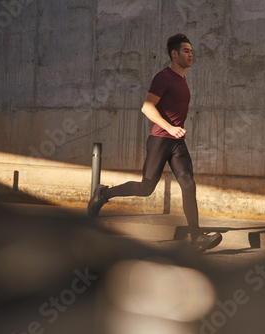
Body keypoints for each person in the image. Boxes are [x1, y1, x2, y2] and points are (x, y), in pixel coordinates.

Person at [88, 34, 222, 253]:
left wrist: (175, 132)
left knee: (188, 184)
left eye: (191, 51)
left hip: (177, 142)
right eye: (186, 51)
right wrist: (169, 127)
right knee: (146, 187)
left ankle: (197, 237)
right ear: (174, 54)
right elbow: (147, 107)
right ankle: (103, 194)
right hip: (160, 139)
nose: (191, 55)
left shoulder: (181, 79)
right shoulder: (164, 77)